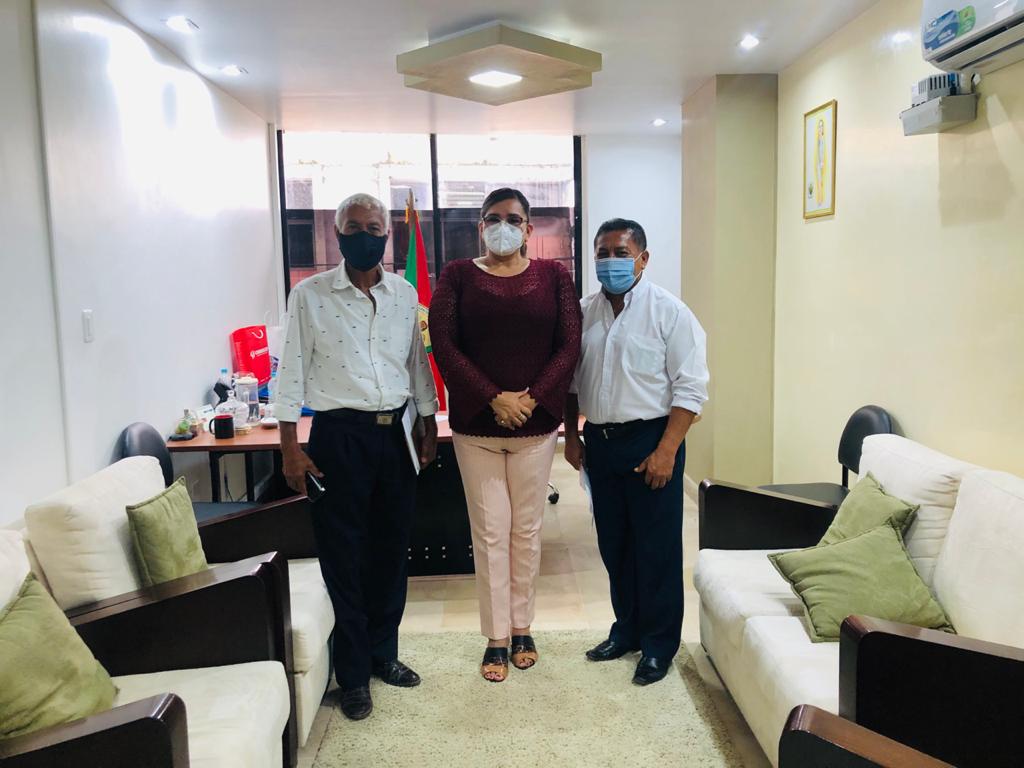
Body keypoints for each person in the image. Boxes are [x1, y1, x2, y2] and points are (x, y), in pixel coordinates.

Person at [274, 193, 439, 721]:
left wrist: (429, 423)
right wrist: (290, 447)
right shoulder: (310, 295)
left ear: (387, 235)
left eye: (373, 227)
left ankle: (384, 655)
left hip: (395, 436)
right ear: (337, 233)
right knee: (343, 556)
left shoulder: (404, 294)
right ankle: (352, 675)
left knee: (392, 550)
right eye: (354, 227)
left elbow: (416, 365)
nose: (364, 235)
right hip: (338, 438)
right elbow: (290, 370)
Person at [430, 188, 581, 683]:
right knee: (491, 532)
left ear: (529, 229)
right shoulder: (456, 275)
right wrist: (494, 397)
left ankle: (522, 628)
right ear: (480, 227)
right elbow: (444, 345)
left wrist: (531, 399)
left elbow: (569, 344)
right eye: (493, 218)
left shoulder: (554, 276)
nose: (503, 226)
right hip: (476, 428)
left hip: (535, 429)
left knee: (526, 531)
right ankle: (496, 636)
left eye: (513, 219)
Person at [564, 218, 708, 686]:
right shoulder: (583, 313)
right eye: (602, 253)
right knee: (615, 545)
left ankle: (659, 646)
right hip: (600, 443)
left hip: (652, 442)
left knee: (656, 549)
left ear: (643, 259)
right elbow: (570, 383)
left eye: (621, 253)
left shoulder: (670, 313)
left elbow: (691, 389)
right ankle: (625, 631)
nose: (611, 262)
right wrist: (572, 437)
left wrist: (667, 451)